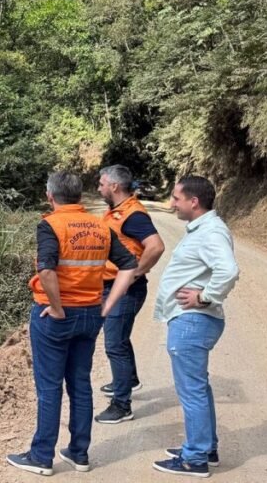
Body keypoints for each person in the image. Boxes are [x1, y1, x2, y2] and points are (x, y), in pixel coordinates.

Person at [7, 171, 138, 476]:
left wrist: (55, 307)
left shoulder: (50, 225)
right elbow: (129, 265)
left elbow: (48, 271)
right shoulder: (100, 226)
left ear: (50, 196)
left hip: (55, 317)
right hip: (91, 313)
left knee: (50, 387)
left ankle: (41, 457)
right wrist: (108, 303)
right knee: (80, 383)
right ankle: (79, 453)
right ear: (80, 196)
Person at [152, 175, 239, 478]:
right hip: (193, 321)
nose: (172, 203)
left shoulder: (211, 232)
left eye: (176, 198)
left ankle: (195, 458)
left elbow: (228, 270)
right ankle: (205, 447)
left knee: (192, 391)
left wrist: (204, 296)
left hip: (193, 322)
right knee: (198, 388)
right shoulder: (205, 229)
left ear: (194, 201)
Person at [95, 165, 165, 424]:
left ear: (114, 186)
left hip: (124, 289)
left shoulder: (133, 215)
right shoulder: (117, 211)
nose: (98, 188)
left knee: (114, 344)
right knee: (119, 338)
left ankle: (122, 405)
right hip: (114, 285)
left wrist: (135, 272)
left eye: (102, 183)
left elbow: (156, 246)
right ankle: (128, 380)